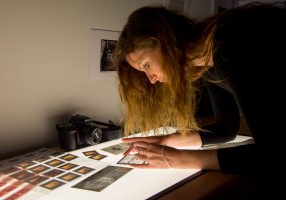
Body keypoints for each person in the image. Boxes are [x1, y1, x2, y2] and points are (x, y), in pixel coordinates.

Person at [114, 2, 286, 196]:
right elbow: (226, 128)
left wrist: (175, 159)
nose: (151, 79)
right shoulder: (206, 62)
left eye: (146, 65)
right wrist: (168, 140)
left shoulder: (229, 43)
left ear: (163, 41)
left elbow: (271, 156)